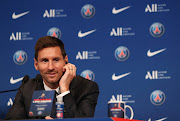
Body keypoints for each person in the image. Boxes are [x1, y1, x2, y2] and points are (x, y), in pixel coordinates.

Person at [5, 36, 99, 120]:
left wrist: (64, 90)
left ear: (65, 60)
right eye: (45, 61)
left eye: (56, 60)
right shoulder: (27, 88)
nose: (50, 67)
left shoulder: (87, 88)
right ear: (36, 64)